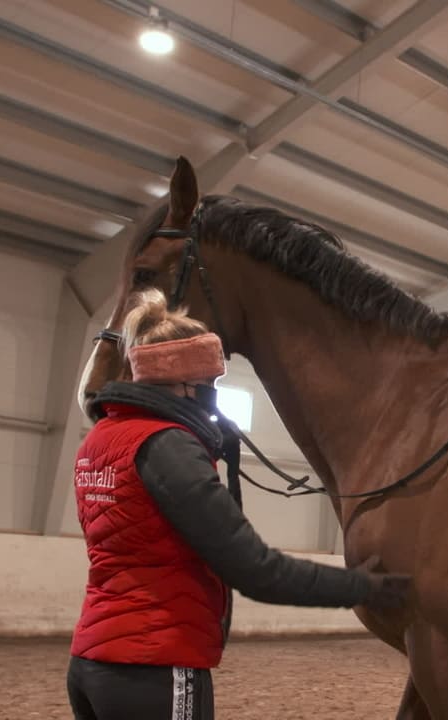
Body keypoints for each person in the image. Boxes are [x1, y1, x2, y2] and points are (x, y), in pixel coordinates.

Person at [67, 288, 411, 720]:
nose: (214, 395)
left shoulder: (99, 438)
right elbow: (255, 569)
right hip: (155, 664)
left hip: (90, 662)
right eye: (209, 385)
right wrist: (364, 587)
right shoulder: (168, 445)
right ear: (181, 383)